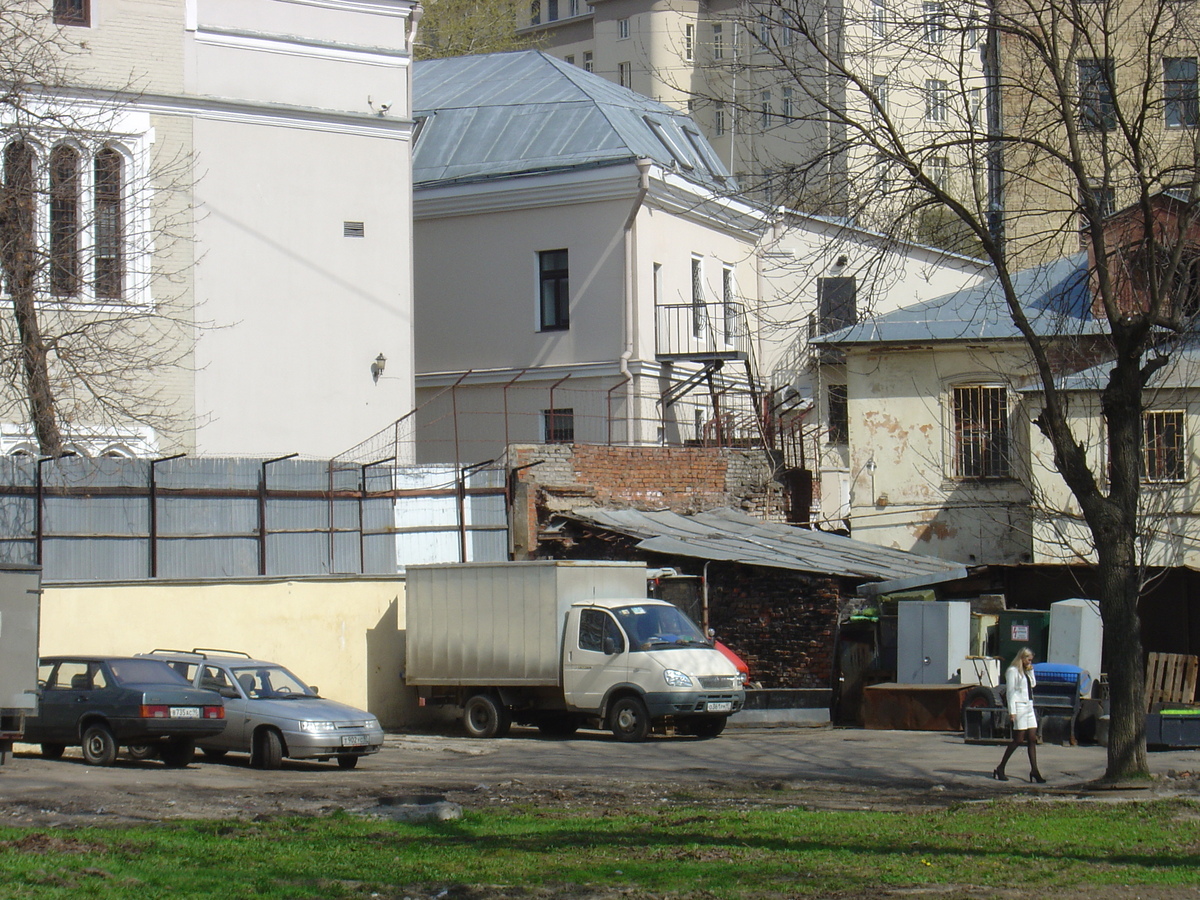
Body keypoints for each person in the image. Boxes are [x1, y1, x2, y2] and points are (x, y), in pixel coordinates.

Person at [993, 646, 1046, 783]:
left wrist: (1031, 671)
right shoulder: (1012, 671)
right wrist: (1012, 712)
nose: (1030, 662)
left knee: (1032, 738)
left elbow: (1033, 685)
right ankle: (1001, 767)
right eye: (1028, 659)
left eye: (1031, 660)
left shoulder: (1026, 671)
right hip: (1019, 706)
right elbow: (1010, 692)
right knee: (1018, 739)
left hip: (1029, 705)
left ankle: (1034, 770)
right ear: (1022, 658)